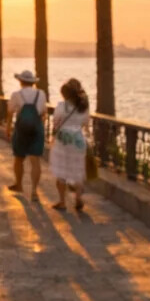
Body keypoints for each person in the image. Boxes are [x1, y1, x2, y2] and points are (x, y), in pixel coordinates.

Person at [5, 70, 50, 201]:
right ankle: (34, 191)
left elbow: (10, 112)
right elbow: (44, 113)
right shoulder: (41, 94)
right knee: (35, 161)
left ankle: (19, 185)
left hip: (21, 129)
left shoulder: (16, 94)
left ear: (20, 82)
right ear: (33, 83)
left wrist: (8, 128)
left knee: (19, 158)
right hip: (37, 129)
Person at [50, 78, 91, 213]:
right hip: (78, 140)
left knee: (61, 172)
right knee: (78, 170)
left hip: (63, 140)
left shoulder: (62, 106)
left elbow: (56, 123)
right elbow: (85, 124)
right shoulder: (83, 108)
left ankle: (62, 202)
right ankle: (78, 198)